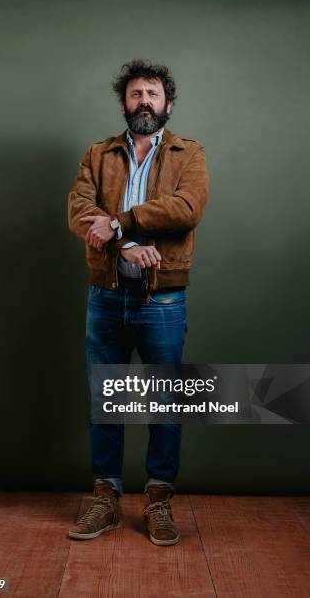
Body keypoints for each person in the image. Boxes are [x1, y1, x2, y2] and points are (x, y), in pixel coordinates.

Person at [67, 59, 209, 546]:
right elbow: (80, 211)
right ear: (124, 104)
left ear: (167, 103)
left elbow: (187, 209)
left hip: (163, 299)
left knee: (164, 403)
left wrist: (122, 222)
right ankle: (105, 500)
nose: (143, 101)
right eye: (134, 94)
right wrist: (122, 245)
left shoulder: (189, 153)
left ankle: (158, 502)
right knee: (106, 402)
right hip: (105, 296)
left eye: (152, 93)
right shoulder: (98, 154)